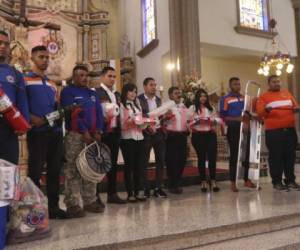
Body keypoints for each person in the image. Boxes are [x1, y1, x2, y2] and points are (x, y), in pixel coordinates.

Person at [24, 45, 66, 219]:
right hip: (38, 133)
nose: (45, 60)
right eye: (41, 57)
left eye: (47, 57)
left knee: (55, 171)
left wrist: (62, 112)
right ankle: (34, 210)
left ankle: (54, 207)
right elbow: (21, 103)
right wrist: (31, 118)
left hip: (55, 133)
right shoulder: (25, 79)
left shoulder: (51, 83)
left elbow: (56, 106)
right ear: (32, 58)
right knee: (35, 172)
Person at [61, 65, 104, 218]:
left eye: (86, 75)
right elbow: (73, 113)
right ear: (74, 77)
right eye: (80, 75)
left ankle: (90, 200)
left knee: (90, 169)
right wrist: (84, 131)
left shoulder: (92, 93)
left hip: (92, 136)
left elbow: (99, 112)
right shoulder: (67, 91)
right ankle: (72, 203)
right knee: (73, 169)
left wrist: (98, 130)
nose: (84, 78)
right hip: (75, 135)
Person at [0, 30, 29, 249]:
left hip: (7, 131)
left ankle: (6, 225)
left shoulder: (15, 73)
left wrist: (23, 124)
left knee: (6, 179)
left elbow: (22, 101)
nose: (2, 46)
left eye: (5, 43)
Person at [256, 75, 300, 191]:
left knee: (290, 156)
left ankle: (290, 180)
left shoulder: (287, 93)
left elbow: (295, 106)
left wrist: (296, 109)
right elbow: (260, 113)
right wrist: (266, 110)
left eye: (278, 81)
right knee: (276, 157)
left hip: (290, 130)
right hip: (274, 132)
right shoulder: (263, 97)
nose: (277, 83)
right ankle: (277, 182)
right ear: (269, 84)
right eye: (274, 82)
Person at [95, 66, 126, 205]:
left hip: (115, 132)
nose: (113, 79)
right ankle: (95, 196)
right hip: (102, 133)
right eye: (110, 76)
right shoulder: (96, 92)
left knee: (112, 164)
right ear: (102, 77)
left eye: (114, 76)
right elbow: (94, 112)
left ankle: (112, 194)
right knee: (99, 164)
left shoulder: (117, 94)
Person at [219, 77, 256, 192]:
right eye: (235, 84)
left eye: (239, 84)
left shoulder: (245, 98)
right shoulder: (225, 99)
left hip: (246, 128)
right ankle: (233, 182)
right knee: (235, 155)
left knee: (247, 154)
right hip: (234, 129)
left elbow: (249, 113)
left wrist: (248, 117)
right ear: (230, 86)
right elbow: (223, 116)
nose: (238, 86)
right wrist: (237, 119)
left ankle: (247, 180)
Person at [138, 77, 167, 198]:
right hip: (146, 133)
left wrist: (165, 116)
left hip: (159, 133)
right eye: (151, 85)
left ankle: (158, 187)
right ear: (145, 87)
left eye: (155, 85)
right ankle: (145, 187)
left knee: (160, 161)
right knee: (144, 161)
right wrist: (147, 126)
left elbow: (161, 116)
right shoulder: (138, 99)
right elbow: (138, 115)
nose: (154, 87)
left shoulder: (159, 100)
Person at [189, 89, 221, 192]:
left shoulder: (211, 108)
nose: (203, 98)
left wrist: (213, 121)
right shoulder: (192, 108)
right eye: (201, 96)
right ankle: (203, 181)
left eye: (205, 96)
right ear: (197, 97)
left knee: (212, 158)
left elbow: (217, 120)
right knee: (201, 158)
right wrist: (196, 121)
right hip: (198, 136)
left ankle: (213, 180)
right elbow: (188, 122)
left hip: (210, 135)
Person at [119, 83, 147, 202]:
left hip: (139, 137)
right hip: (128, 138)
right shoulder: (121, 105)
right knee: (129, 166)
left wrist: (145, 123)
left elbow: (140, 123)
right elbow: (122, 124)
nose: (133, 94)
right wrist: (131, 121)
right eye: (131, 91)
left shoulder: (137, 105)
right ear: (125, 92)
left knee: (138, 166)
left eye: (135, 92)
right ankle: (130, 193)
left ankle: (138, 192)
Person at [164, 86, 189, 194]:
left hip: (182, 136)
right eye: (175, 93)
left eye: (179, 92)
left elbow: (187, 120)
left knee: (182, 160)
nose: (178, 94)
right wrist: (165, 117)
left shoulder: (183, 106)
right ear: (170, 95)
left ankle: (177, 183)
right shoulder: (166, 106)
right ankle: (172, 184)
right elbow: (160, 120)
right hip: (171, 136)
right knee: (172, 161)